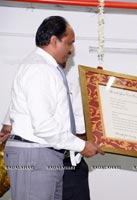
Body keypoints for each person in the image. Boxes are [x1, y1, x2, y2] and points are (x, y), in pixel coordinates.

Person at [4, 16, 103, 200]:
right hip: (35, 155)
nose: (72, 50)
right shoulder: (39, 69)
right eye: (69, 43)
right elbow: (43, 125)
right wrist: (81, 146)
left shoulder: (47, 68)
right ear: (53, 40)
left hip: (45, 154)